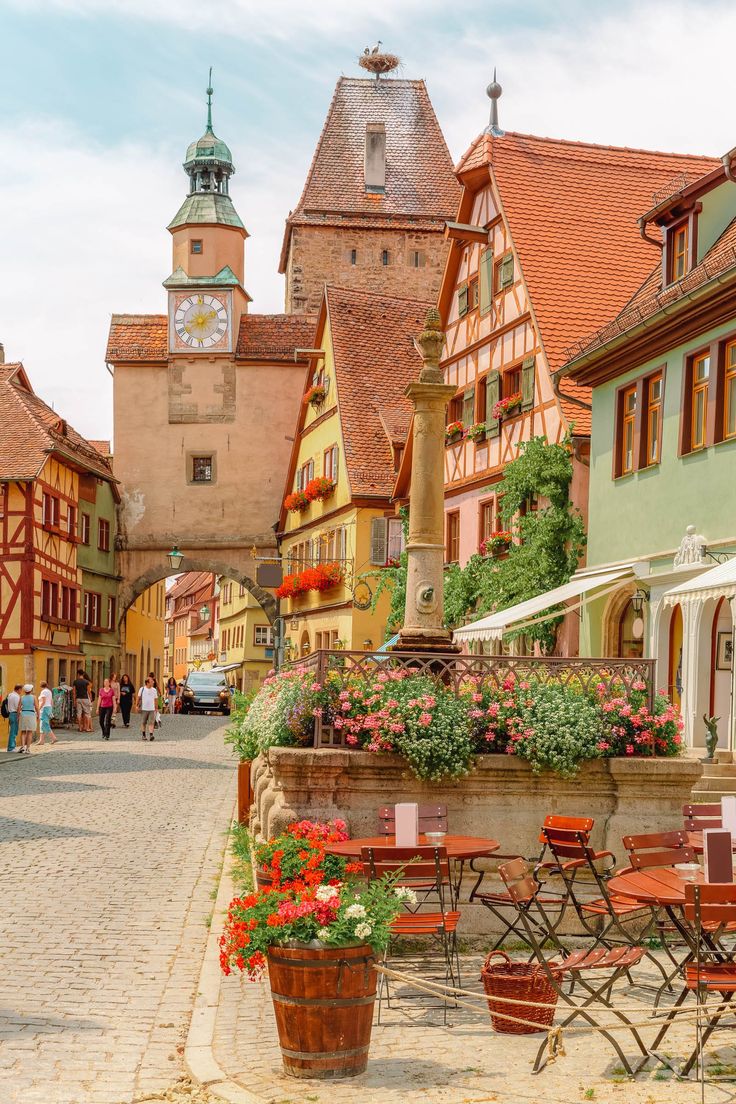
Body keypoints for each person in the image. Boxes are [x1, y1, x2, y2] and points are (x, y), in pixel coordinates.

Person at [17, 683, 38, 753]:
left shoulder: (22, 697)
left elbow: (19, 707)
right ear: (31, 690)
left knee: (23, 731)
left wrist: (18, 716)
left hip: (23, 714)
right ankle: (28, 748)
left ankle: (23, 746)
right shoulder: (33, 697)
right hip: (31, 714)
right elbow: (37, 707)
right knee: (30, 732)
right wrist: (38, 715)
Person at [137, 676, 158, 741]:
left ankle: (151, 735)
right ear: (147, 683)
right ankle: (143, 735)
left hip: (151, 709)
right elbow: (138, 698)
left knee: (151, 722)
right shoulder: (142, 689)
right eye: (152, 681)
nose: (153, 682)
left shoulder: (154, 690)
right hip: (144, 708)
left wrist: (156, 708)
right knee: (143, 722)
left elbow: (156, 699)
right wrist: (136, 706)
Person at [73, 669, 92, 733]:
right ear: (83, 674)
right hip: (85, 698)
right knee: (87, 713)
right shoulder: (86, 682)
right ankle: (87, 728)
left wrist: (74, 700)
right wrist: (90, 699)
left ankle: (80, 727)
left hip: (78, 698)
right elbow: (89, 692)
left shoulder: (75, 682)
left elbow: (74, 692)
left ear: (78, 674)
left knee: (79, 713)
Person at [37, 681, 56, 745]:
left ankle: (53, 737)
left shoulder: (43, 691)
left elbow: (43, 701)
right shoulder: (49, 691)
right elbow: (51, 701)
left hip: (44, 709)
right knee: (42, 724)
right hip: (48, 708)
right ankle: (41, 740)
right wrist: (51, 709)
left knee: (44, 724)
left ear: (40, 686)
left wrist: (38, 709)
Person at [6, 684, 21, 753]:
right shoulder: (16, 696)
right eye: (21, 690)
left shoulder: (10, 695)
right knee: (14, 731)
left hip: (11, 714)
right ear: (18, 689)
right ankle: (11, 747)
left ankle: (11, 747)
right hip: (15, 714)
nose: (21, 691)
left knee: (12, 731)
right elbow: (17, 707)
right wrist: (19, 716)